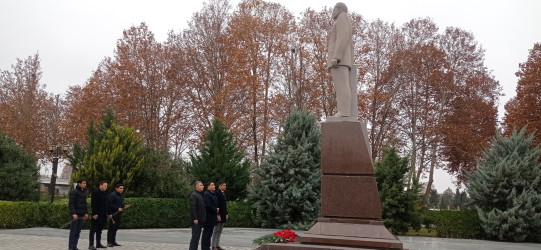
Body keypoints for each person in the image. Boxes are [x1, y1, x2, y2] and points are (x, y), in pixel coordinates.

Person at [328, 2, 358, 118]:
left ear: (339, 9)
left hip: (340, 60)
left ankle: (344, 112)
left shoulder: (342, 17)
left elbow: (343, 36)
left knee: (342, 85)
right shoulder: (342, 19)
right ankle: (343, 110)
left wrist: (337, 56)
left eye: (334, 9)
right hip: (341, 60)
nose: (332, 12)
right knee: (340, 85)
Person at [68, 178, 88, 250]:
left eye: (85, 183)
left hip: (81, 215)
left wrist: (86, 212)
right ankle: (70, 247)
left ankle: (74, 246)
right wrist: (73, 213)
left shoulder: (84, 192)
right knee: (73, 232)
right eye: (83, 183)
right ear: (79, 184)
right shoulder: (74, 192)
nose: (85, 185)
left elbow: (84, 203)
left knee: (78, 232)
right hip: (75, 215)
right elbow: (71, 204)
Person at [89, 181, 109, 250]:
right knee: (93, 230)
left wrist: (107, 213)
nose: (106, 187)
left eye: (106, 186)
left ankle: (98, 243)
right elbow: (93, 204)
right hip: (97, 214)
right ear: (100, 185)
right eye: (105, 186)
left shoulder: (105, 193)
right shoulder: (96, 192)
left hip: (103, 215)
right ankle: (91, 244)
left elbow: (106, 204)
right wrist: (94, 213)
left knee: (99, 230)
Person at [189, 181, 206, 250]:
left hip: (200, 220)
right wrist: (195, 218)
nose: (203, 186)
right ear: (197, 187)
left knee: (197, 238)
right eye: (201, 185)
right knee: (195, 238)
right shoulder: (194, 195)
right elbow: (193, 207)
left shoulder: (200, 195)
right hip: (196, 220)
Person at [211, 182, 228, 250]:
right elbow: (216, 205)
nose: (225, 186)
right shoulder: (217, 193)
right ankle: (213, 246)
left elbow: (224, 205)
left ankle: (217, 245)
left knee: (220, 230)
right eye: (224, 185)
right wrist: (218, 215)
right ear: (220, 186)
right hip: (219, 215)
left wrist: (226, 213)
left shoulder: (223, 193)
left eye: (225, 185)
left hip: (223, 214)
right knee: (216, 230)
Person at [201, 182, 218, 250]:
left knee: (210, 233)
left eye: (214, 184)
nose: (214, 186)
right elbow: (207, 205)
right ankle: (204, 247)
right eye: (212, 185)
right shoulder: (206, 194)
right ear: (208, 187)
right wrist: (215, 209)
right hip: (208, 217)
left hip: (212, 217)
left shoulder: (213, 194)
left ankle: (207, 247)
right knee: (206, 233)